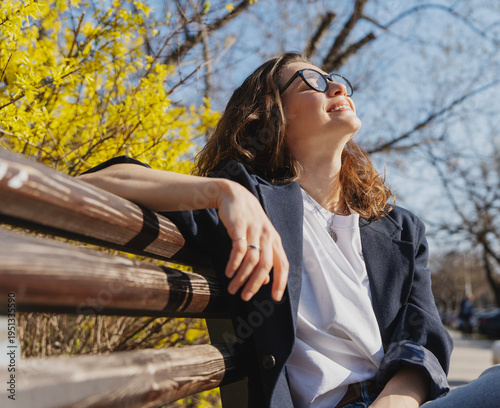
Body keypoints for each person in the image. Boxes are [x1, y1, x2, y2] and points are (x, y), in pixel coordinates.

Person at [79, 52, 500, 407]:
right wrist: (226, 193)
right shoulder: (248, 207)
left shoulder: (400, 228)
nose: (337, 87)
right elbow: (99, 182)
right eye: (312, 81)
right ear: (270, 114)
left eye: (337, 80)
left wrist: (396, 400)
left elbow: (422, 334)